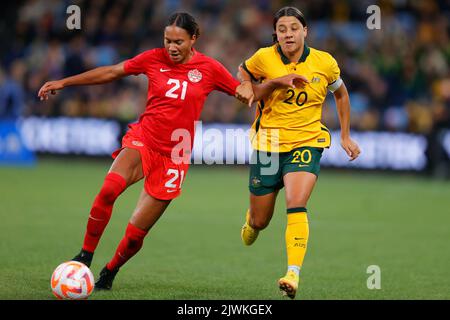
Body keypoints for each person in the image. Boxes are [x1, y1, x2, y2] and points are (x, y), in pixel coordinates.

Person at [38, 12, 301, 291]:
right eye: (167, 41)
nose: (172, 47)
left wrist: (272, 84)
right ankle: (85, 256)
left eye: (178, 41)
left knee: (135, 234)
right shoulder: (152, 58)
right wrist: (64, 83)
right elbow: (113, 71)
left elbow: (246, 93)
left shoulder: (209, 68)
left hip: (175, 155)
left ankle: (110, 271)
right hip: (144, 140)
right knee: (108, 189)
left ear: (193, 39)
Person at [236, 6, 361, 299]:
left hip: (307, 142)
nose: (288, 34)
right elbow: (244, 73)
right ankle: (252, 220)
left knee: (296, 202)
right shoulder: (264, 57)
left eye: (294, 28)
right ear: (275, 35)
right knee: (260, 221)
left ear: (305, 31)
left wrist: (344, 135)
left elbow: (340, 93)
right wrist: (246, 85)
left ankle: (293, 273)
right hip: (267, 145)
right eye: (282, 29)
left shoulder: (324, 63)